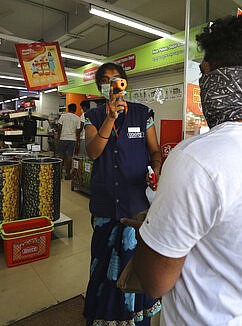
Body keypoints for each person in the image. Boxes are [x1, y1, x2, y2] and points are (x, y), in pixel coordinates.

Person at [122, 12, 242, 325]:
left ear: (217, 78)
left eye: (203, 73)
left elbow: (155, 283)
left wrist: (152, 232)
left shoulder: (195, 158)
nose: (202, 85)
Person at [83, 62, 162, 325]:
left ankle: (134, 319)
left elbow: (155, 152)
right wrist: (110, 118)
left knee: (135, 269)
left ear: (125, 83)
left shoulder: (143, 114)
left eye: (117, 78)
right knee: (102, 267)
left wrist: (157, 170)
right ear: (100, 87)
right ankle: (102, 318)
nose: (112, 83)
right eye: (106, 80)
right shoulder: (93, 117)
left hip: (135, 207)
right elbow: (93, 151)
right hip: (105, 207)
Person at [56, 103, 81, 180]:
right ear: (75, 110)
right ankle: (67, 174)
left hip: (63, 138)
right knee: (69, 157)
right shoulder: (77, 118)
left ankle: (59, 174)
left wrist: (58, 137)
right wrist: (77, 142)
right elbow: (78, 131)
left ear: (68, 109)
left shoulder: (63, 116)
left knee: (61, 156)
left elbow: (59, 127)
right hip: (72, 139)